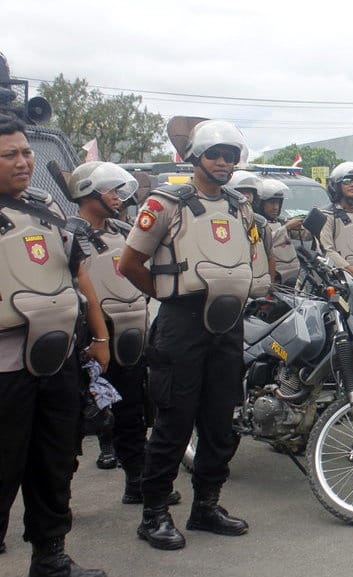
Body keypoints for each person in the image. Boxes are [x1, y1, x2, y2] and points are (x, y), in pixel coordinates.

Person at [120, 119, 256, 551]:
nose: (222, 162)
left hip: (228, 324)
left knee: (220, 422)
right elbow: (129, 263)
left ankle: (206, 507)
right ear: (195, 156)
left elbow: (254, 257)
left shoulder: (240, 206)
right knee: (173, 421)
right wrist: (166, 295)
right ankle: (154, 514)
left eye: (230, 156)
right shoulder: (166, 203)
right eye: (214, 153)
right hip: (182, 323)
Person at [0, 114, 109, 576]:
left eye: (26, 152)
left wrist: (100, 335)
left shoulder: (45, 209)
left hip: (58, 359)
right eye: (10, 154)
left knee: (55, 463)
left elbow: (78, 273)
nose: (24, 161)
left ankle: (50, 559)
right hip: (5, 368)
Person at [66, 162, 183, 508]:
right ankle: (58, 497)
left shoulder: (123, 229)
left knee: (132, 412)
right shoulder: (67, 233)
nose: (118, 198)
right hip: (90, 338)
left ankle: (137, 481)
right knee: (74, 422)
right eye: (110, 191)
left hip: (132, 330)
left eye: (119, 191)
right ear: (87, 192)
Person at [226, 170, 274, 297]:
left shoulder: (260, 223)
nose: (245, 195)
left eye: (249, 191)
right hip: (232, 287)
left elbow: (270, 256)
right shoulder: (225, 220)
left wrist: (270, 290)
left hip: (257, 288)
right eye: (241, 191)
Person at [256, 178, 301, 285]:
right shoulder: (257, 224)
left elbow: (305, 236)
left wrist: (306, 226)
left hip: (293, 275)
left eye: (278, 203)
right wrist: (286, 228)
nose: (276, 207)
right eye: (272, 203)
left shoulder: (281, 221)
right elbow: (264, 242)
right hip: (274, 276)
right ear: (261, 203)